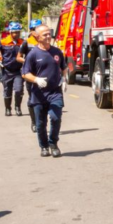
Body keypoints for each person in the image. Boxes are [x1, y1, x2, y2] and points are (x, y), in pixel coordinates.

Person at [22, 24, 67, 157]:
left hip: (55, 92)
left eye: (49, 33)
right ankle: (44, 146)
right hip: (39, 94)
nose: (48, 37)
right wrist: (36, 80)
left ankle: (53, 143)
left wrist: (64, 78)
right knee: (41, 124)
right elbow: (25, 74)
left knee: (55, 117)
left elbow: (63, 67)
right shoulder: (33, 54)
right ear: (37, 37)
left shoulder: (57, 52)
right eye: (45, 35)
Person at [0, 22, 26, 117]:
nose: (17, 34)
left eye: (18, 32)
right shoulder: (3, 42)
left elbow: (28, 53)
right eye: (15, 32)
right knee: (7, 91)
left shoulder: (22, 42)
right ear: (10, 32)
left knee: (19, 89)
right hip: (7, 71)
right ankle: (8, 108)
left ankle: (17, 107)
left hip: (18, 71)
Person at [17, 20, 42, 132]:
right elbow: (18, 57)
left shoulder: (46, 41)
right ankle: (34, 122)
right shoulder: (26, 42)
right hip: (30, 75)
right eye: (33, 29)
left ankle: (41, 121)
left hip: (43, 74)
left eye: (37, 29)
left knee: (44, 99)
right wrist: (27, 61)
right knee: (32, 98)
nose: (34, 32)